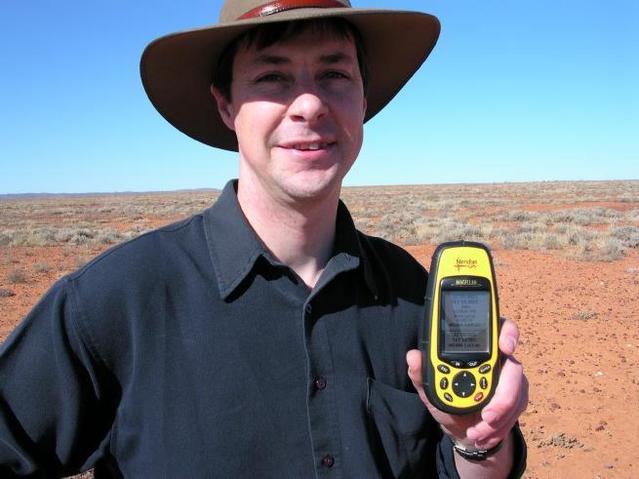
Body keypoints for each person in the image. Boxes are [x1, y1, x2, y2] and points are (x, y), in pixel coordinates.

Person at [0, 0, 528, 477]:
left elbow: (457, 467)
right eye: (273, 76)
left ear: (364, 99)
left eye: (334, 73)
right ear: (226, 107)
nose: (309, 104)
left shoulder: (414, 292)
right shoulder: (114, 301)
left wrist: (475, 442)